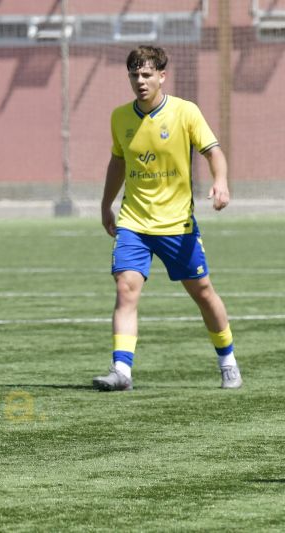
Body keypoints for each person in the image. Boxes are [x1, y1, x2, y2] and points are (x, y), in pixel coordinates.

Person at [93, 45, 241, 392]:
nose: (140, 81)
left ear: (162, 76)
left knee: (203, 292)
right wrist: (105, 204)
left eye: (147, 74)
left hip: (178, 225)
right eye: (134, 75)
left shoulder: (185, 112)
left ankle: (228, 361)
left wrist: (220, 182)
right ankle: (121, 371)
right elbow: (118, 163)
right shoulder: (119, 117)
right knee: (126, 289)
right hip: (134, 222)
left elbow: (213, 152)